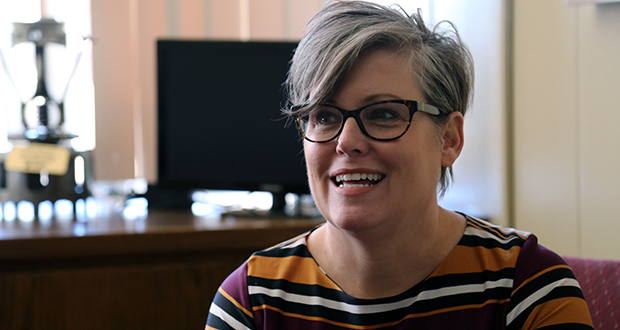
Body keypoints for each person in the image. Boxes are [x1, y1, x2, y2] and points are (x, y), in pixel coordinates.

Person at [206, 1, 593, 329]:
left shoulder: (527, 289)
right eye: (323, 116)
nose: (345, 141)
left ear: (449, 139)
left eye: (384, 114)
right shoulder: (252, 302)